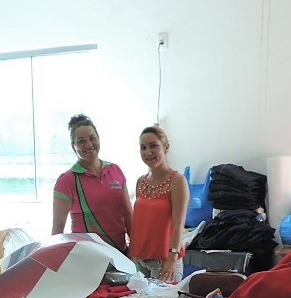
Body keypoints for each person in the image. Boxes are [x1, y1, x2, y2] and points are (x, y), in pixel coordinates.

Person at [52, 114, 132, 253]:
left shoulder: (115, 170)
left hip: (120, 252)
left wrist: (135, 247)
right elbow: (58, 228)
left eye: (92, 138)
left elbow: (128, 213)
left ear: (99, 139)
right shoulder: (67, 180)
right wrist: (55, 258)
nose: (89, 144)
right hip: (89, 257)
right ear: (73, 146)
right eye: (81, 141)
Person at [130, 125, 190, 281]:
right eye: (143, 147)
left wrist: (172, 259)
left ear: (166, 147)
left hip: (165, 261)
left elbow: (178, 224)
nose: (147, 152)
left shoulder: (177, 181)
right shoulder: (141, 181)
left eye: (153, 146)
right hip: (139, 260)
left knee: (163, 297)